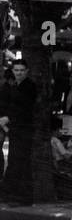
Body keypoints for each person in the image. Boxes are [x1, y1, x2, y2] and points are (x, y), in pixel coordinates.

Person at [0, 60, 38, 205]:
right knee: (15, 160)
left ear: (27, 71)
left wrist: (8, 118)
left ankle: (23, 197)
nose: (19, 73)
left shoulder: (29, 86)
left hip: (24, 129)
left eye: (22, 70)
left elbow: (25, 107)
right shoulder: (14, 86)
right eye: (16, 70)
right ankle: (14, 195)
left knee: (21, 161)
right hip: (16, 129)